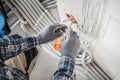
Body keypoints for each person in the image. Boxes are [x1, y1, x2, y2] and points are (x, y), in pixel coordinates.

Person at [0, 23, 80, 80]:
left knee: (22, 46)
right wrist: (68, 58)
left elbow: (3, 48)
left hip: (13, 73)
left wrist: (38, 38)